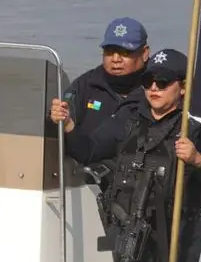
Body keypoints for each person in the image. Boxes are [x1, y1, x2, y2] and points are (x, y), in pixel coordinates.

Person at [50, 48, 201, 262]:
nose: (154, 88)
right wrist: (68, 125)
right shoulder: (130, 117)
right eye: (148, 81)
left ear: (183, 87)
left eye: (162, 83)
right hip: (128, 232)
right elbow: (89, 150)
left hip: (175, 237)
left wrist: (198, 159)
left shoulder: (200, 126)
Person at [64, 16, 150, 165]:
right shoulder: (86, 84)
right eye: (109, 52)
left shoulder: (157, 90)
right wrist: (58, 118)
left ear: (145, 53)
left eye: (125, 52)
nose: (115, 59)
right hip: (85, 172)